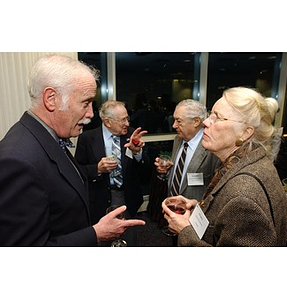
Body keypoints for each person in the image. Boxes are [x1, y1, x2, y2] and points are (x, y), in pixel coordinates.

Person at [0, 54, 145, 246]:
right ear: (51, 99)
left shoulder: (49, 138)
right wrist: (95, 234)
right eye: (85, 103)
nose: (91, 114)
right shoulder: (18, 159)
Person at [162, 87, 287, 246]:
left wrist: (185, 230)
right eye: (210, 115)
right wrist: (199, 208)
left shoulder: (244, 194)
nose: (206, 122)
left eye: (218, 118)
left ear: (245, 132)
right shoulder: (248, 162)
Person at [75, 100, 148, 245]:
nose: (127, 123)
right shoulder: (87, 138)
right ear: (107, 122)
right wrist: (97, 169)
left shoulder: (132, 135)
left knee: (129, 237)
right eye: (123, 120)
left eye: (127, 118)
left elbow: (145, 170)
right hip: (100, 197)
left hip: (127, 197)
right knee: (104, 238)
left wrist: (138, 152)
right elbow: (78, 170)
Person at [148, 100, 220, 225]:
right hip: (174, 208)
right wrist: (165, 172)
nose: (174, 125)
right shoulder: (178, 139)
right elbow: (180, 172)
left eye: (179, 121)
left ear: (196, 122)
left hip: (195, 216)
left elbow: (216, 191)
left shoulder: (212, 148)